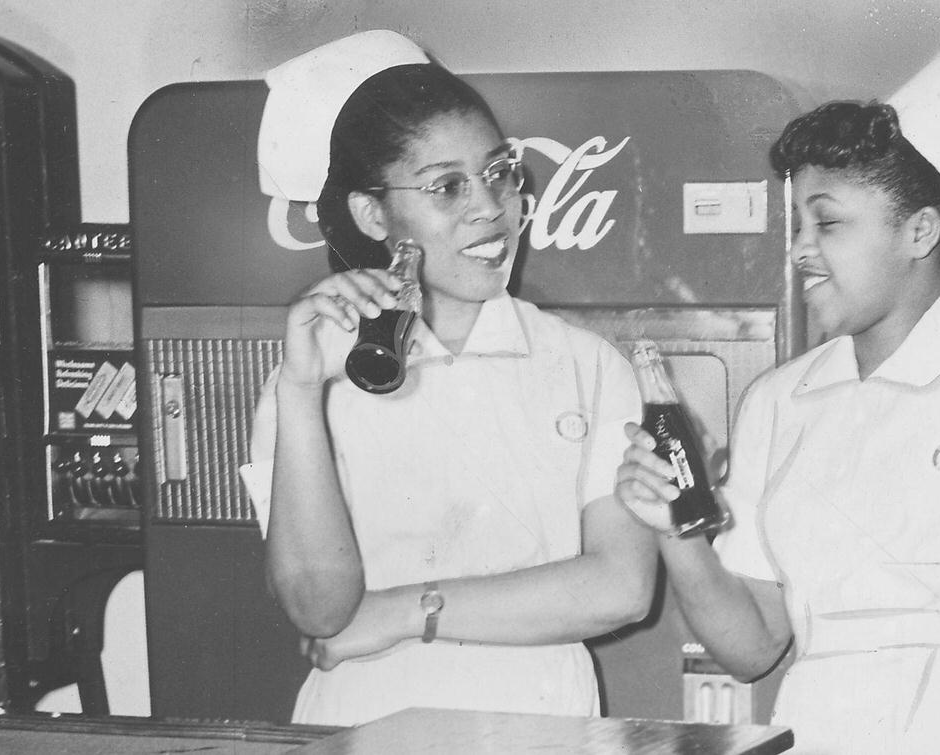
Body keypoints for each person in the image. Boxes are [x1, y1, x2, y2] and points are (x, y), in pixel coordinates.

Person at [615, 48, 940, 754]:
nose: (798, 249)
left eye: (826, 223)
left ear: (919, 231)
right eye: (795, 223)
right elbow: (754, 644)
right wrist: (677, 527)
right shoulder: (779, 400)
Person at [241, 30, 656, 727]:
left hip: (544, 727)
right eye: (446, 187)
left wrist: (404, 611)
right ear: (374, 213)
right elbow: (318, 608)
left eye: (500, 173)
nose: (489, 207)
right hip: (365, 726)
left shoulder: (586, 366)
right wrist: (300, 391)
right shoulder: (313, 379)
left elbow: (620, 586)